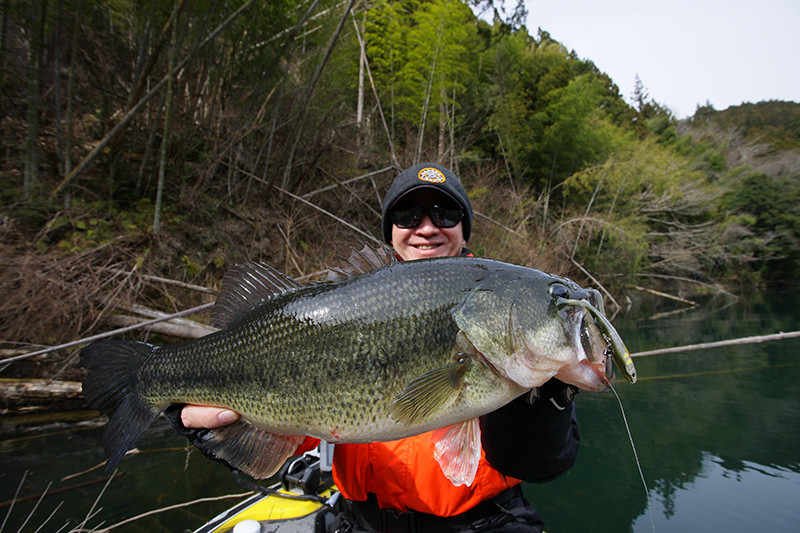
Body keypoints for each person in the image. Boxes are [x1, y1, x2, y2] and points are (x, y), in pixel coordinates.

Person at [171, 163, 580, 532]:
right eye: (407, 215)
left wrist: (544, 398)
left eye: (445, 213)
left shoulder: (504, 308)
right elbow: (293, 432)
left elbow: (540, 461)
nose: (426, 227)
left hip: (480, 525)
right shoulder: (345, 307)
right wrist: (219, 429)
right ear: (390, 231)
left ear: (464, 228)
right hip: (361, 523)